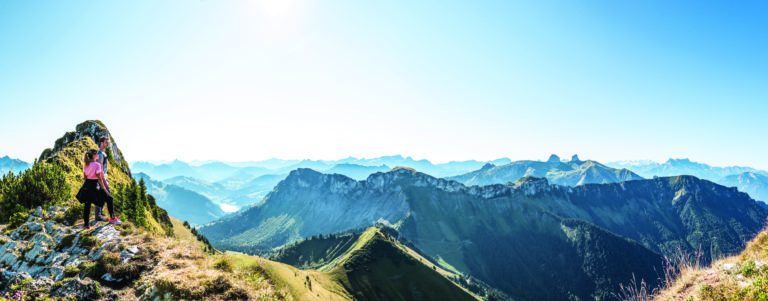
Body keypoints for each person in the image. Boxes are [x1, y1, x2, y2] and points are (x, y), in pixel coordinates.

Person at [82, 149, 122, 230]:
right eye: (96, 154)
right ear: (93, 155)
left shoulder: (86, 165)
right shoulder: (97, 165)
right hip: (95, 185)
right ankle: (112, 218)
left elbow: (85, 177)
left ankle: (86, 224)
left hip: (87, 186)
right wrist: (104, 189)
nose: (98, 155)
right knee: (109, 198)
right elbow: (99, 178)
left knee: (87, 205)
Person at [94, 137, 111, 221]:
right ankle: (98, 215)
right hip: (101, 179)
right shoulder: (100, 154)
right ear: (101, 143)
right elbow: (99, 170)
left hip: (104, 177)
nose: (107, 143)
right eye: (106, 142)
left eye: (108, 142)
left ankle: (100, 212)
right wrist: (104, 181)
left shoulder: (103, 153)